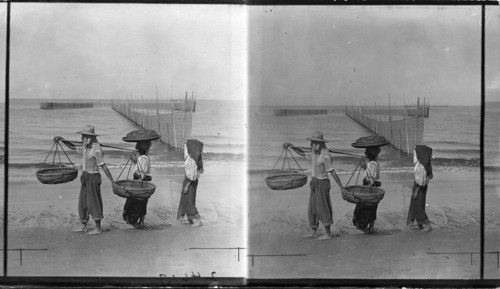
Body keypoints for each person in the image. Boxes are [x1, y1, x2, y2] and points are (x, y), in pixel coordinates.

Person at [284, 131, 348, 241]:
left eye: (312, 143)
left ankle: (327, 234)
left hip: (322, 183)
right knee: (313, 207)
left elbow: (332, 172)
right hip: (314, 182)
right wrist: (291, 146)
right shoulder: (314, 153)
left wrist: (341, 187)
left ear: (318, 144)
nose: (310, 145)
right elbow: (302, 153)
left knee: (323, 207)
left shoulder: (325, 156)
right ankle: (313, 231)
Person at [54, 125, 115, 235]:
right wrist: (62, 139)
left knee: (94, 201)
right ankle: (84, 226)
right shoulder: (85, 147)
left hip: (93, 177)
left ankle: (98, 228)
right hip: (85, 176)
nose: (81, 139)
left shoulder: (96, 150)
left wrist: (112, 181)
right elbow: (72, 147)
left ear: (89, 138)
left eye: (83, 137)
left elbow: (104, 166)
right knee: (83, 201)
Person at [123, 140, 152, 228]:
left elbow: (141, 173)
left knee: (135, 201)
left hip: (139, 181)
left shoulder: (143, 158)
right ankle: (141, 221)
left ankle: (135, 221)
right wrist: (135, 161)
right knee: (143, 201)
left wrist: (137, 181)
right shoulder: (144, 157)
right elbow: (141, 168)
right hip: (143, 181)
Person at [352, 146, 381, 234]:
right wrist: (365, 167)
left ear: (369, 154)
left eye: (366, 152)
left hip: (369, 189)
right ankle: (371, 227)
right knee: (372, 207)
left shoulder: (371, 164)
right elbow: (372, 174)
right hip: (374, 189)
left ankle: (363, 228)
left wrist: (366, 181)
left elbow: (370, 178)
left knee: (363, 208)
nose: (365, 153)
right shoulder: (374, 163)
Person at [177, 139, 204, 227]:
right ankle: (190, 218)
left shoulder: (192, 160)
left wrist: (186, 186)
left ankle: (199, 220)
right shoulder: (193, 158)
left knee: (189, 201)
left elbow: (191, 176)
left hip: (190, 182)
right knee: (186, 200)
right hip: (190, 180)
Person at [407, 145, 434, 232]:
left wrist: (416, 192)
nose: (414, 156)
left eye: (415, 154)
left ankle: (428, 224)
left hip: (419, 187)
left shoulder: (422, 166)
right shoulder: (423, 163)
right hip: (421, 186)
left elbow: (421, 181)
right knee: (417, 205)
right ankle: (420, 224)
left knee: (418, 207)